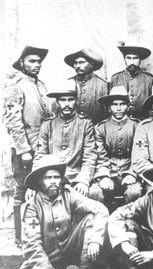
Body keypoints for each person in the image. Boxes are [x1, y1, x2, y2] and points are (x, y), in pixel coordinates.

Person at [20, 154, 109, 269]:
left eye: (56, 177)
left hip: (68, 255)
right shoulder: (32, 206)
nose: (53, 181)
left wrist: (96, 239)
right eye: (48, 178)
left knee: (90, 218)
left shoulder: (68, 194)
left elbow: (100, 209)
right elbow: (32, 243)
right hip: (47, 259)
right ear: (40, 181)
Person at [3, 45, 53, 246]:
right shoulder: (15, 86)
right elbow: (12, 121)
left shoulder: (41, 86)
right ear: (22, 63)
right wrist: (24, 150)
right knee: (22, 189)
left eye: (39, 61)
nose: (37, 64)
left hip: (41, 147)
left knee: (40, 189)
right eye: (32, 61)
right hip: (25, 149)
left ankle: (37, 235)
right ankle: (19, 237)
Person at [33, 88, 97, 198]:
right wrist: (34, 183)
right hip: (52, 179)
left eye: (70, 99)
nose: (67, 104)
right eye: (63, 100)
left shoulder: (86, 124)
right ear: (57, 102)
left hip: (76, 177)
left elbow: (90, 157)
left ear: (76, 101)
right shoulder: (47, 125)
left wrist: (83, 180)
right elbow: (39, 155)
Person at [89, 86, 142, 210]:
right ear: (108, 107)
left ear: (128, 106)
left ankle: (130, 223)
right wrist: (104, 175)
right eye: (114, 104)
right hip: (109, 170)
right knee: (94, 193)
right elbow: (100, 155)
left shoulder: (137, 126)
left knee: (134, 192)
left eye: (122, 104)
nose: (118, 108)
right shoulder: (101, 128)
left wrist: (132, 173)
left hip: (130, 170)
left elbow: (139, 153)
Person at [110, 40, 153, 120]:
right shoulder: (115, 78)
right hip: (122, 123)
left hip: (143, 121)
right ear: (124, 59)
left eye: (135, 58)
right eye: (128, 58)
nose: (132, 62)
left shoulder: (149, 79)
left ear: (140, 60)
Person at [65, 47, 108, 124]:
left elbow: (106, 113)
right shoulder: (69, 83)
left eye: (81, 62)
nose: (78, 66)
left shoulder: (102, 85)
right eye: (76, 63)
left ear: (91, 64)